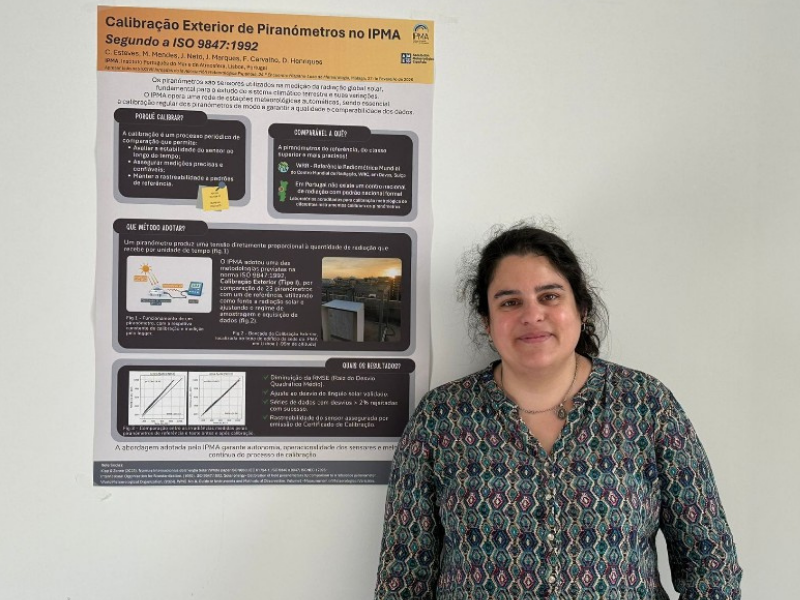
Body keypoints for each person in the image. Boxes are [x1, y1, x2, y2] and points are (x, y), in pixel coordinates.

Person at [375, 223, 741, 599]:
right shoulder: (441, 418)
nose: (532, 315)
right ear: (487, 321)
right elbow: (403, 577)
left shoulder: (645, 406)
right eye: (510, 302)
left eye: (549, 296)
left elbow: (711, 564)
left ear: (581, 308)